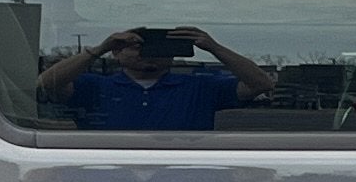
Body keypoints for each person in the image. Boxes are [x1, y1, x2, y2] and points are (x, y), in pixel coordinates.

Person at [31, 22, 279, 133]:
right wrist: (100, 48)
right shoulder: (94, 86)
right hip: (106, 176)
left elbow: (261, 83)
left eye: (158, 47)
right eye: (135, 46)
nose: (147, 54)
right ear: (117, 53)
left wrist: (213, 47)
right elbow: (46, 83)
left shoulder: (200, 86)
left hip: (186, 176)